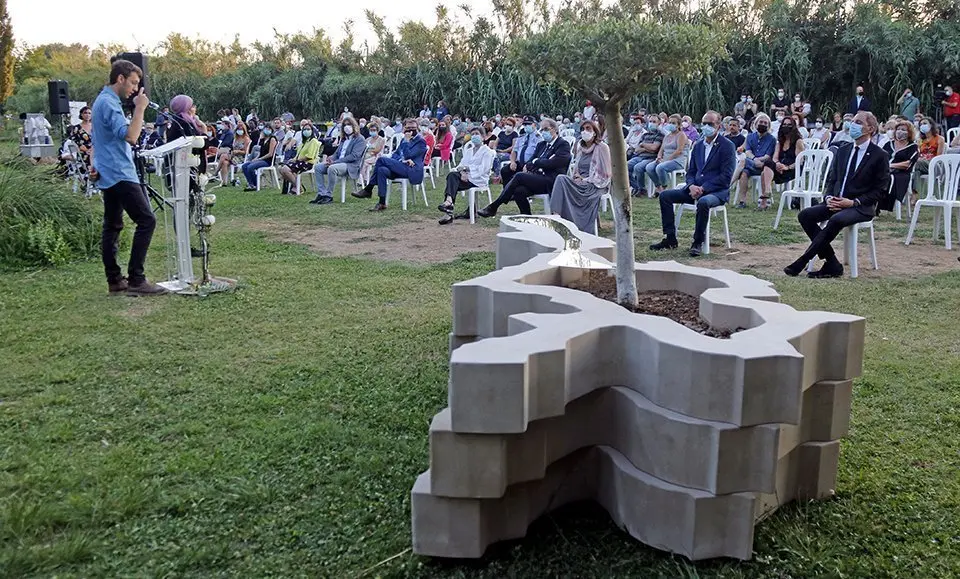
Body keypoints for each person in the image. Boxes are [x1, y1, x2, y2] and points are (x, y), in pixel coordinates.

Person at [784, 111, 889, 278]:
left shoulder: (879, 155)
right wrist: (829, 197)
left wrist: (853, 202)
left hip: (860, 206)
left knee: (836, 219)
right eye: (853, 121)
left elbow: (880, 190)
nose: (853, 125)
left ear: (871, 128)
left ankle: (804, 259)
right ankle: (832, 262)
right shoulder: (843, 150)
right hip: (837, 201)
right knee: (805, 215)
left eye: (859, 122)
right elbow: (833, 180)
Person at [91, 59, 165, 296]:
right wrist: (141, 107)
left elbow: (99, 139)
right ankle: (136, 278)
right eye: (133, 83)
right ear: (120, 79)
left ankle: (114, 280)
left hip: (108, 170)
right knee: (147, 220)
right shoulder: (109, 103)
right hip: (120, 172)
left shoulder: (102, 101)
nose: (135, 88)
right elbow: (131, 136)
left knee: (112, 225)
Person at [650, 111, 736, 257]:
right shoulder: (698, 146)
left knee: (703, 202)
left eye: (711, 124)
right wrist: (691, 186)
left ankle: (697, 242)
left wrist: (703, 188)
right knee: (665, 196)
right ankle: (670, 238)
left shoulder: (727, 146)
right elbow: (690, 171)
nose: (707, 127)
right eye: (704, 123)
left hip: (716, 192)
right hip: (694, 189)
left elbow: (726, 176)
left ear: (718, 126)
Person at [477, 118, 571, 217]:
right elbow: (530, 162)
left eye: (546, 129)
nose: (543, 132)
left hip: (552, 180)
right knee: (519, 191)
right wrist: (538, 162)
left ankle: (494, 207)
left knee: (519, 176)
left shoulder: (562, 144)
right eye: (542, 130)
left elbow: (554, 163)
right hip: (538, 177)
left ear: (555, 129)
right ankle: (527, 217)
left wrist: (538, 162)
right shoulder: (542, 145)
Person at [351, 119, 428, 211]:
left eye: (413, 128)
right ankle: (382, 203)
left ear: (417, 128)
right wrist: (400, 160)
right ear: (404, 128)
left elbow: (409, 155)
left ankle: (368, 189)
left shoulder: (420, 141)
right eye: (408, 128)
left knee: (381, 160)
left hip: (412, 170)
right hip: (401, 166)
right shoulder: (404, 139)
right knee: (382, 170)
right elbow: (397, 154)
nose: (410, 130)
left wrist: (407, 143)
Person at [549, 120, 610, 233]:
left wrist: (585, 179)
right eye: (582, 129)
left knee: (563, 181)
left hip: (595, 185)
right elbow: (576, 169)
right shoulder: (580, 147)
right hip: (580, 182)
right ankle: (556, 216)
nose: (584, 131)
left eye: (588, 129)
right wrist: (578, 178)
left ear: (595, 132)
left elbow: (605, 174)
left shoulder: (602, 147)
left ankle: (572, 222)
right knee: (561, 178)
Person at [437, 133, 496, 224]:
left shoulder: (487, 151)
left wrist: (467, 170)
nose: (474, 136)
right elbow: (461, 165)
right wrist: (462, 172)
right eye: (473, 134)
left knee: (453, 179)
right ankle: (449, 202)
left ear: (483, 137)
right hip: (466, 177)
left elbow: (484, 169)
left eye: (477, 134)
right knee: (452, 176)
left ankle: (448, 209)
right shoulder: (469, 151)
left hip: (478, 179)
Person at [311, 117, 366, 204]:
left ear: (354, 126)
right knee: (318, 167)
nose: (346, 127)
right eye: (344, 125)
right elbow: (337, 154)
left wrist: (335, 162)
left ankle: (328, 195)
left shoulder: (360, 139)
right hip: (338, 163)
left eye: (349, 124)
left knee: (332, 168)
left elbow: (354, 156)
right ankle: (321, 193)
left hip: (351, 165)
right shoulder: (344, 139)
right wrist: (331, 158)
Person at [736, 113, 777, 209]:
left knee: (743, 162)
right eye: (761, 122)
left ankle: (729, 184)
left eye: (765, 123)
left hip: (764, 165)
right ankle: (742, 201)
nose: (762, 124)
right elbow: (748, 151)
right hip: (752, 163)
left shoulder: (772, 139)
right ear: (756, 123)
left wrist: (758, 160)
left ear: (769, 125)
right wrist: (754, 160)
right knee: (744, 173)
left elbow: (768, 156)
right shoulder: (750, 137)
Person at [645, 114, 689, 197]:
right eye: (670, 122)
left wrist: (667, 159)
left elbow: (679, 150)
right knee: (649, 167)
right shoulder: (667, 136)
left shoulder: (681, 135)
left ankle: (664, 187)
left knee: (660, 167)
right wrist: (659, 157)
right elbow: (662, 149)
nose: (671, 125)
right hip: (665, 160)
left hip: (677, 160)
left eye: (673, 123)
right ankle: (659, 187)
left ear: (678, 125)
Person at [880, 121, 919, 214]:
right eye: (898, 129)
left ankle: (884, 205)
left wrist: (890, 166)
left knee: (889, 178)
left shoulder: (913, 147)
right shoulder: (888, 144)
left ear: (909, 132)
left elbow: (908, 164)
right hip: (885, 170)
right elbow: (880, 158)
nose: (900, 131)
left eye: (903, 130)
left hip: (902, 173)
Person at [764, 116, 805, 191]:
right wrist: (778, 164)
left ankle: (766, 194)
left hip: (792, 169)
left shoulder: (798, 141)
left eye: (789, 125)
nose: (786, 127)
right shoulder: (780, 142)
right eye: (784, 124)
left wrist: (787, 167)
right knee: (767, 163)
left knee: (765, 172)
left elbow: (800, 161)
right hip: (779, 168)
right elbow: (775, 158)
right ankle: (767, 193)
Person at [500, 115, 542, 187]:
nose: (526, 126)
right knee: (505, 171)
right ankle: (507, 192)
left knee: (521, 177)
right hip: (519, 163)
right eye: (525, 124)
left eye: (528, 124)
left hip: (530, 165)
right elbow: (514, 151)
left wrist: (529, 165)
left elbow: (538, 154)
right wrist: (512, 162)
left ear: (534, 125)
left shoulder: (539, 138)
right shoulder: (521, 137)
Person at [278, 125, 320, 195]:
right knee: (280, 168)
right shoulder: (303, 142)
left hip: (307, 163)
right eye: (305, 129)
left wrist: (297, 160)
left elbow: (309, 156)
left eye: (308, 129)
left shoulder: (313, 141)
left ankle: (299, 188)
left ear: (312, 131)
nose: (306, 131)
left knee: (285, 169)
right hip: (299, 161)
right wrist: (293, 159)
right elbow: (298, 155)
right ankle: (296, 185)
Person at [629, 114, 664, 197]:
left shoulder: (660, 135)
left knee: (638, 167)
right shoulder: (645, 135)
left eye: (654, 122)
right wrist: (647, 147)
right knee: (625, 166)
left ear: (659, 124)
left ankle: (641, 189)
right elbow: (637, 149)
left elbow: (654, 148)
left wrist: (643, 145)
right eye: (650, 121)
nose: (651, 123)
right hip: (639, 156)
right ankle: (637, 187)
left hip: (651, 158)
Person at [241, 120, 278, 191]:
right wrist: (256, 158)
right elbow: (260, 152)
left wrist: (260, 159)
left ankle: (254, 184)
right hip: (261, 158)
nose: (267, 130)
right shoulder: (263, 139)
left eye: (269, 128)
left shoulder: (272, 139)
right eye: (266, 128)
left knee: (250, 167)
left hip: (268, 160)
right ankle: (251, 183)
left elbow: (270, 154)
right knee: (244, 166)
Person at [913, 117, 946, 193]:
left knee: (916, 164)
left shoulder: (939, 139)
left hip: (935, 164)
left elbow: (939, 157)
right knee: (917, 171)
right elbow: (918, 154)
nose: (922, 126)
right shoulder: (920, 140)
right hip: (921, 164)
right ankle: (915, 196)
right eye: (921, 124)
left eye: (924, 123)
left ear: (931, 125)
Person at [68, 106, 94, 171]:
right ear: (81, 114)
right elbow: (74, 142)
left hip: (95, 150)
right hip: (83, 152)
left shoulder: (95, 127)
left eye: (89, 113)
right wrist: (84, 149)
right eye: (85, 113)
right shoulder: (76, 128)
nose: (87, 115)